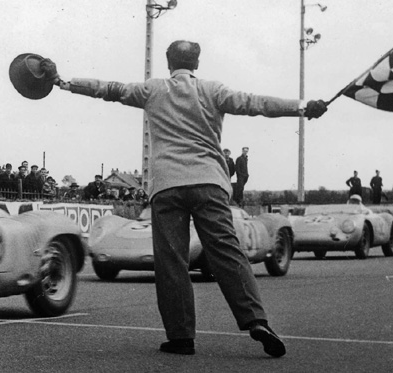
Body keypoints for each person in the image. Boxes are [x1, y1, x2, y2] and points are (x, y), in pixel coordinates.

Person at [38, 40, 328, 357]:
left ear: (167, 62)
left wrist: (64, 82)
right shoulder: (214, 90)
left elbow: (109, 88)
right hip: (210, 184)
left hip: (168, 186)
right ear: (198, 63)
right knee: (228, 254)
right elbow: (256, 103)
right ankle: (256, 320)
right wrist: (302, 107)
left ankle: (181, 337)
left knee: (172, 261)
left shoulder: (152, 90)